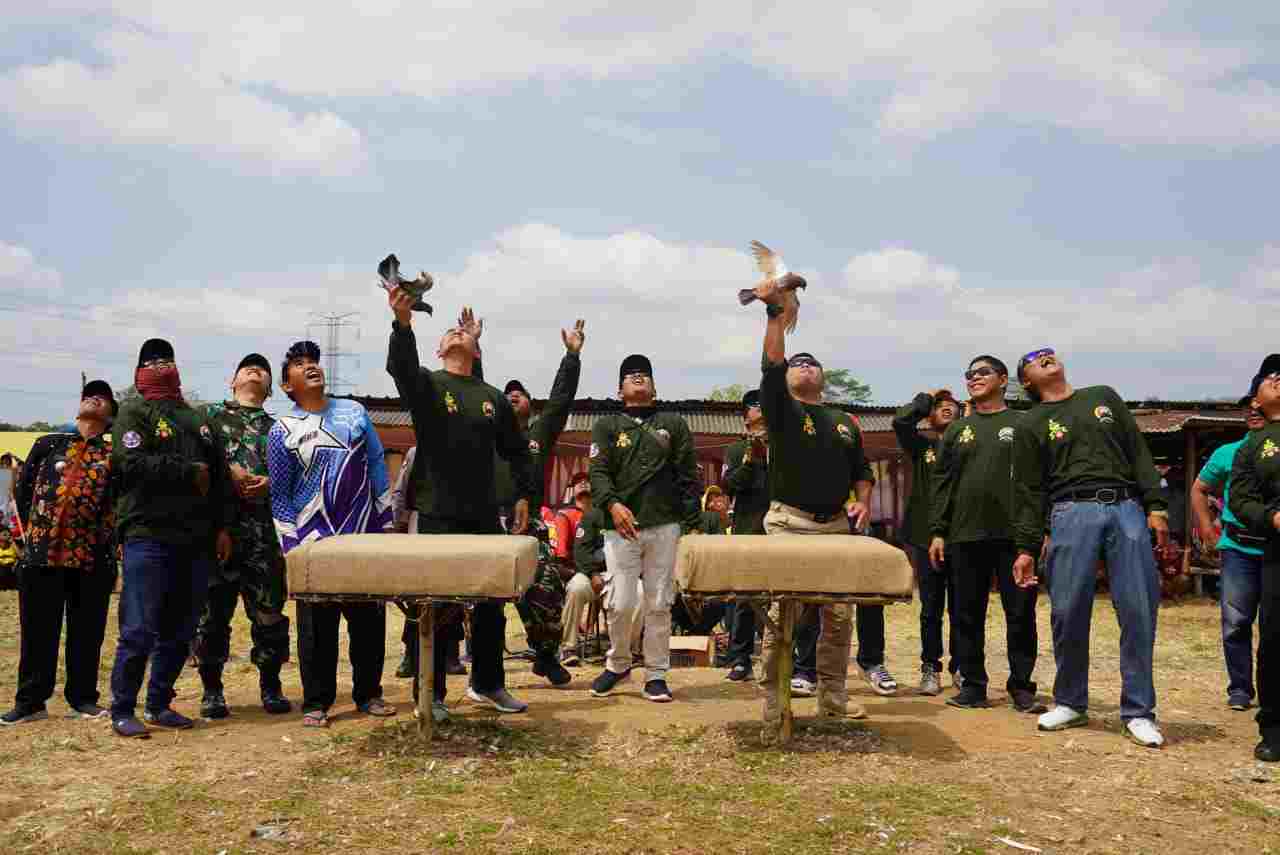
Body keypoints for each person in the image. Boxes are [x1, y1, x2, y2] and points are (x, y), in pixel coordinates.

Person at [386, 293, 536, 721]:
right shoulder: (428, 384)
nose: (455, 332)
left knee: (491, 604)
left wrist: (524, 495)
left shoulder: (492, 396)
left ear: (477, 349)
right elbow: (400, 368)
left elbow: (517, 451)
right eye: (448, 332)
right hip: (436, 512)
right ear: (437, 350)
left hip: (485, 514)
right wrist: (401, 320)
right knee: (435, 607)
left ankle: (487, 684)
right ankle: (429, 693)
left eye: (462, 333)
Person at [1012, 347, 1168, 748]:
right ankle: (1070, 702)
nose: (1045, 356)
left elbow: (1137, 449)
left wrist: (1157, 506)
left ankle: (1139, 711)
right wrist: (1027, 547)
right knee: (1067, 609)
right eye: (1033, 358)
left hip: (1126, 507)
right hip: (1070, 511)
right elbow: (1029, 490)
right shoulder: (1031, 422)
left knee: (1138, 609)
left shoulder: (1102, 396)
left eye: (1048, 352)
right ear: (1026, 381)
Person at [755, 281, 876, 730]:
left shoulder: (846, 421)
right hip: (789, 522)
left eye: (812, 363)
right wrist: (774, 318)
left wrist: (862, 503)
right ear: (788, 377)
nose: (804, 366)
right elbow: (771, 365)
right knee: (783, 611)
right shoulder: (782, 410)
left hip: (837, 526)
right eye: (797, 363)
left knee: (840, 618)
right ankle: (774, 696)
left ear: (823, 378)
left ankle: (834, 697)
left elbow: (863, 471)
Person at [109, 340, 235, 738]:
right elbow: (129, 462)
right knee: (140, 627)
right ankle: (122, 708)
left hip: (196, 539)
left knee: (181, 630)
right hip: (147, 534)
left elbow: (217, 478)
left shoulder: (196, 418)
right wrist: (185, 470)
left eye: (168, 359)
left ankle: (159, 702)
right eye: (153, 361)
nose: (162, 367)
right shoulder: (132, 411)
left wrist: (223, 527)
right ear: (140, 372)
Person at [268, 341, 396, 728]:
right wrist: (291, 546)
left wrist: (386, 522)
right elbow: (280, 495)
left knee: (369, 625)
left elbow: (376, 464)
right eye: (300, 365)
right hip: (314, 545)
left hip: (363, 538)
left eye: (314, 362)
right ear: (287, 387)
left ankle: (369, 694)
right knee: (315, 631)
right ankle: (316, 702)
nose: (311, 367)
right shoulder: (281, 431)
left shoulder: (355, 413)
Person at [1, 381, 118, 725]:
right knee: (37, 630)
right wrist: (32, 536)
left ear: (111, 415)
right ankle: (30, 701)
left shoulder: (113, 455)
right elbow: (23, 494)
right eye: (89, 394)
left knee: (87, 630)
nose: (94, 398)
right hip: (41, 556)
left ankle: (83, 698)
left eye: (104, 397)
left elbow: (118, 502)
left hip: (92, 557)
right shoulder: (47, 444)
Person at [587, 353, 702, 703]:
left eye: (644, 374)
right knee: (620, 603)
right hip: (619, 527)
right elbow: (598, 472)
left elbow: (687, 476)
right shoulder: (606, 426)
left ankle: (656, 673)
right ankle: (619, 662)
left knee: (659, 602)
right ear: (619, 388)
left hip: (665, 524)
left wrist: (692, 525)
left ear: (654, 385)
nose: (638, 377)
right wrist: (613, 504)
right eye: (630, 375)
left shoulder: (674, 423)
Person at [929, 356, 1042, 712]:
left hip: (1015, 537)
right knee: (965, 613)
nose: (974, 379)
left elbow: (1037, 484)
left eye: (983, 373)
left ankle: (1022, 688)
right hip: (964, 535)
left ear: (1003, 380)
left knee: (1021, 612)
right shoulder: (956, 431)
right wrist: (937, 531)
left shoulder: (1024, 424)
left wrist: (1037, 533)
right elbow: (942, 484)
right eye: (969, 374)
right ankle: (973, 686)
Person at [193, 354, 292, 719]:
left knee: (268, 614)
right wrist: (228, 471)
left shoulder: (279, 428)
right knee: (212, 615)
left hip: (264, 536)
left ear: (269, 389)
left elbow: (292, 477)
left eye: (262, 369)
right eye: (247, 367)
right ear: (231, 381)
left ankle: (271, 685)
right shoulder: (208, 419)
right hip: (218, 532)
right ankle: (212, 690)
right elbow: (192, 461)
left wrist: (271, 482)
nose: (255, 369)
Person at [498, 319, 584, 687]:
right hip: (488, 523)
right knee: (483, 600)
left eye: (519, 392)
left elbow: (561, 400)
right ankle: (483, 670)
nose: (513, 394)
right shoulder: (488, 434)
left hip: (530, 524)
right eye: (506, 393)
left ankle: (546, 657)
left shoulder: (538, 435)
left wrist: (572, 356)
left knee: (547, 588)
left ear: (530, 404)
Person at [1192, 396, 1267, 711]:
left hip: (1274, 546)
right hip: (1238, 548)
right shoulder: (1228, 453)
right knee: (1236, 622)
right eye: (1249, 408)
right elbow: (1199, 488)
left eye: (1260, 407)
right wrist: (1208, 527)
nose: (1253, 412)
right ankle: (1240, 688)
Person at [1227, 355, 1280, 761]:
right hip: (1276, 549)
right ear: (1256, 402)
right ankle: (1274, 728)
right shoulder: (1251, 447)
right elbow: (1241, 499)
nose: (1278, 379)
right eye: (1269, 378)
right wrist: (1272, 516)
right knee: (1275, 639)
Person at [893, 387, 961, 695]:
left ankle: (962, 668)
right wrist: (925, 398)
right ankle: (930, 668)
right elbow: (901, 423)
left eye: (952, 405)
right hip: (924, 536)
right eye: (940, 406)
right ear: (930, 416)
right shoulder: (923, 447)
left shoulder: (970, 444)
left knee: (963, 607)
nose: (947, 408)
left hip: (962, 535)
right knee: (931, 607)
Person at [389, 446, 466, 680]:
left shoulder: (466, 448)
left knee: (452, 593)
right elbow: (401, 491)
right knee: (416, 595)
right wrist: (396, 523)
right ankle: (411, 655)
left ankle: (451, 654)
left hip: (454, 527)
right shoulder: (416, 452)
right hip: (420, 525)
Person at [719, 389, 769, 681]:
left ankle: (782, 657)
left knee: (782, 596)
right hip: (747, 530)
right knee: (744, 597)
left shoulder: (785, 447)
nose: (760, 411)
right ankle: (740, 658)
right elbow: (729, 486)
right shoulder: (736, 450)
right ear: (745, 417)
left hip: (780, 531)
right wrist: (752, 460)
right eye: (754, 406)